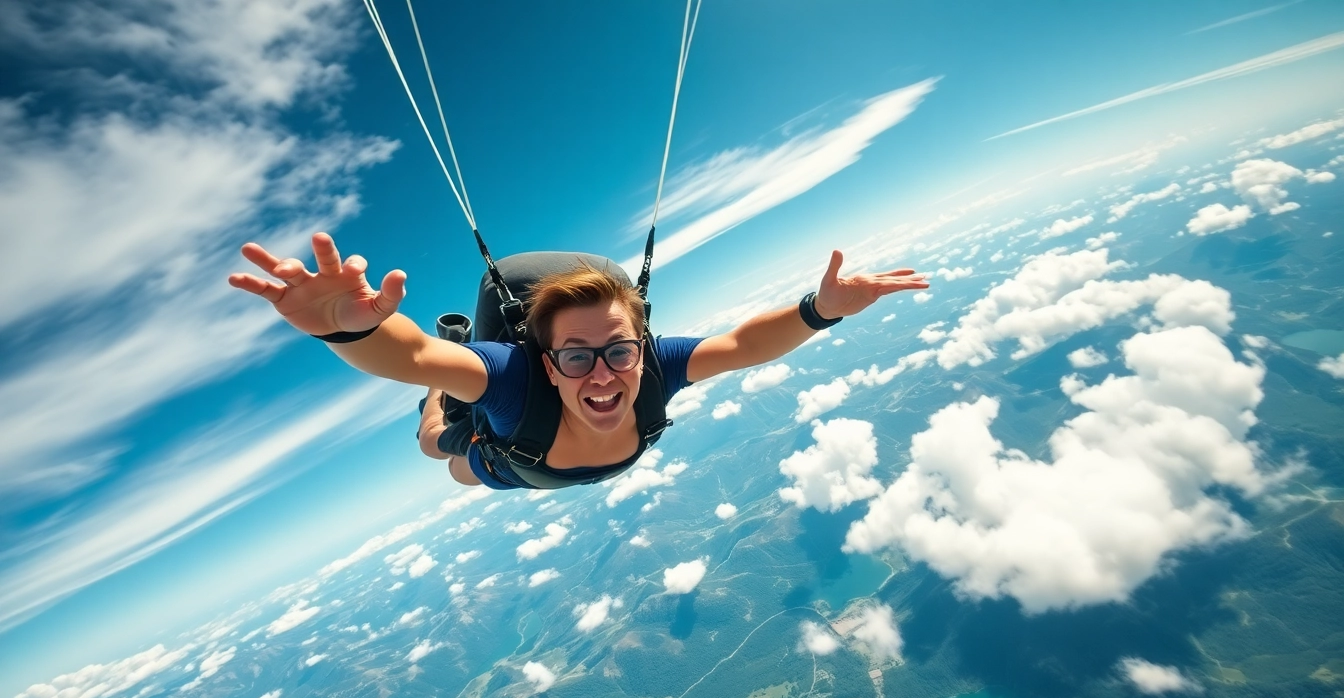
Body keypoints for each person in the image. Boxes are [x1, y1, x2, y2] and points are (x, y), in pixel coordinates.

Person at [229, 233, 928, 490]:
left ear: (640, 342)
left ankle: (455, 366)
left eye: (618, 350)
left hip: (540, 451)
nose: (603, 372)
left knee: (449, 382)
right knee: (439, 451)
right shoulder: (513, 378)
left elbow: (743, 345)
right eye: (576, 355)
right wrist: (344, 333)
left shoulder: (650, 362)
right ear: (546, 359)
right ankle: (449, 395)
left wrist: (821, 308)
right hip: (508, 462)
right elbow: (408, 352)